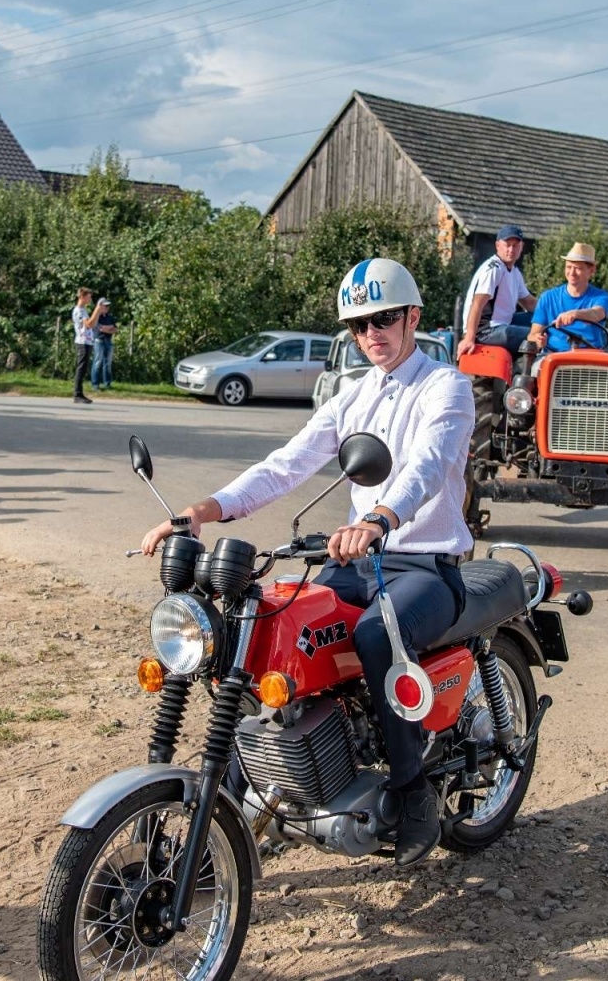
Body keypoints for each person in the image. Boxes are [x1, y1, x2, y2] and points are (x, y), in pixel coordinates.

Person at [138, 258, 471, 868]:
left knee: (376, 636)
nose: (373, 333)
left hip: (424, 566)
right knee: (266, 624)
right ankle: (253, 790)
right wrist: (201, 512)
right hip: (356, 562)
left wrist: (379, 520)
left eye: (385, 318)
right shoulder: (353, 395)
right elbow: (285, 465)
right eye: (359, 324)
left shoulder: (445, 387)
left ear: (412, 318)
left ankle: (410, 788)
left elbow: (426, 465)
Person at [459, 225, 535, 356]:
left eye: (515, 245)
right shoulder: (494, 269)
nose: (511, 249)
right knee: (537, 335)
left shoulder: (515, 272)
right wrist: (469, 338)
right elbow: (477, 303)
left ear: (521, 247)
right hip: (485, 330)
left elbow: (529, 303)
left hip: (503, 323)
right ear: (498, 245)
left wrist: (552, 316)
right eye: (507, 245)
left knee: (539, 321)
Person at [528, 242, 608, 353]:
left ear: (591, 270)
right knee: (537, 368)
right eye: (568, 267)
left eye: (578, 268)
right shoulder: (547, 297)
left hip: (589, 357)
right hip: (554, 356)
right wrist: (538, 340)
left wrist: (575, 314)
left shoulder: (601, 297)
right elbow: (533, 334)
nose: (572, 273)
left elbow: (597, 313)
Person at [72, 287, 106, 404]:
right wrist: (97, 309)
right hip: (82, 342)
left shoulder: (84, 310)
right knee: (81, 368)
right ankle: (77, 394)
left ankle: (80, 393)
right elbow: (89, 324)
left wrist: (98, 312)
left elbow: (93, 322)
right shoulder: (79, 311)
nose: (90, 299)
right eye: (89, 296)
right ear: (82, 296)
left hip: (87, 341)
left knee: (83, 368)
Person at [91, 299, 117, 391]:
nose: (107, 308)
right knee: (98, 362)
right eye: (105, 306)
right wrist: (109, 327)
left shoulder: (110, 317)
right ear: (99, 306)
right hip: (99, 341)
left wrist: (108, 328)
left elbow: (115, 329)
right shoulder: (96, 317)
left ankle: (107, 383)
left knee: (108, 363)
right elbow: (99, 329)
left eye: (107, 306)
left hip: (108, 341)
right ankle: (95, 384)